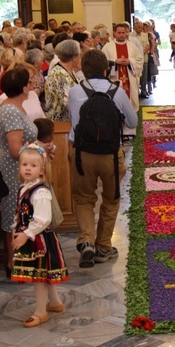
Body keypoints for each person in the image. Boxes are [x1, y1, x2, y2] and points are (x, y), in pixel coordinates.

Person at [68, 49, 137, 268]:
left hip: (81, 153)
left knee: (84, 199)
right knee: (111, 198)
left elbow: (73, 120)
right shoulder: (116, 91)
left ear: (84, 70)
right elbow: (133, 122)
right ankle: (103, 247)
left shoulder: (75, 91)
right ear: (106, 69)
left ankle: (86, 240)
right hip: (110, 153)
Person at [11, 144, 69, 327]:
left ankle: (40, 311)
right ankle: (54, 302)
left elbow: (43, 219)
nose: (28, 168)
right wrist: (16, 228)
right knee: (43, 272)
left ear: (42, 170)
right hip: (30, 236)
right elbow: (22, 212)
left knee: (39, 275)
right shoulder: (24, 188)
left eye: (33, 165)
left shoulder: (41, 192)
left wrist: (25, 234)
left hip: (40, 239)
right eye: (25, 164)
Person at [0, 67, 38, 277]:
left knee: (24, 214)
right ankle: (14, 262)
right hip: (16, 172)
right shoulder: (11, 110)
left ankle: (24, 257)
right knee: (16, 215)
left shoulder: (15, 106)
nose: (33, 84)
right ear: (22, 88)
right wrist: (39, 150)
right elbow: (15, 149)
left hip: (24, 169)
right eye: (30, 82)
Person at [101, 22, 144, 111]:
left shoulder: (132, 46)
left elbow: (140, 60)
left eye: (123, 33)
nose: (121, 35)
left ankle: (130, 117)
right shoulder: (107, 47)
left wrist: (130, 61)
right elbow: (102, 62)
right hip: (114, 78)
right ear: (114, 33)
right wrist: (115, 62)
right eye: (119, 33)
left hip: (130, 80)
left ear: (126, 33)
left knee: (130, 101)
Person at [44, 40, 81, 122]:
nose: (80, 58)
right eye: (79, 55)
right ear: (74, 58)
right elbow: (67, 101)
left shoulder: (69, 70)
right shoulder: (59, 74)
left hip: (69, 119)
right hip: (59, 122)